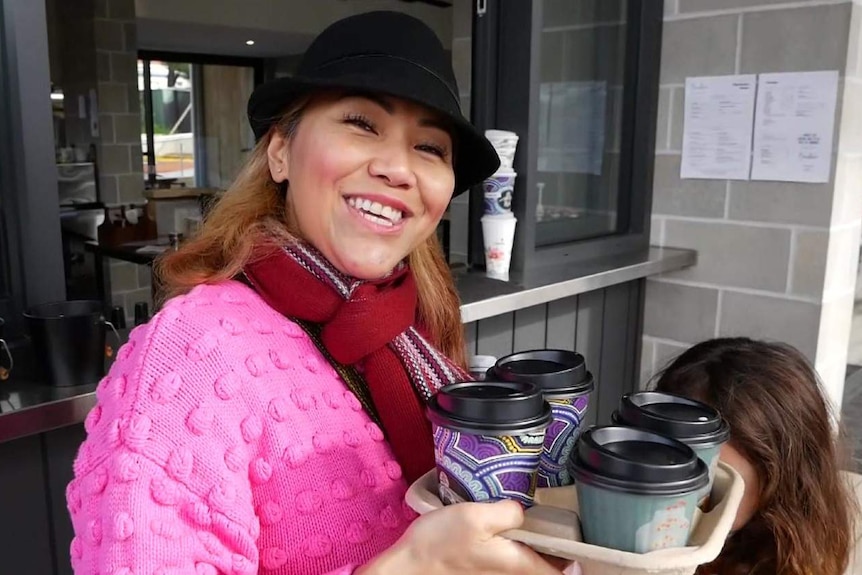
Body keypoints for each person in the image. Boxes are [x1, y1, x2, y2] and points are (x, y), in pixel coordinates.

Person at [65, 11, 567, 575]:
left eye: (431, 148)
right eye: (361, 122)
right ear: (280, 151)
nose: (398, 167)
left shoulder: (416, 327)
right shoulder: (191, 355)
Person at [654, 337, 858, 575]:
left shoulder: (786, 557)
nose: (678, 499)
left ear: (778, 479)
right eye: (663, 466)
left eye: (711, 484)